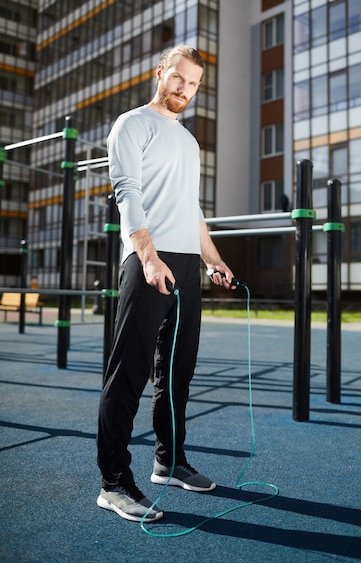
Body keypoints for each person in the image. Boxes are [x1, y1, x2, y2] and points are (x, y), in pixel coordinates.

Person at [97, 45, 236, 523]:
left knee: (178, 370)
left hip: (186, 264)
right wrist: (149, 256)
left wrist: (214, 259)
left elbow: (191, 210)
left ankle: (168, 460)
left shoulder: (190, 141)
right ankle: (113, 482)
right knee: (129, 371)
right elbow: (127, 192)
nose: (184, 88)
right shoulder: (132, 123)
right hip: (146, 259)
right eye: (178, 78)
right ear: (161, 73)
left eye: (193, 83)